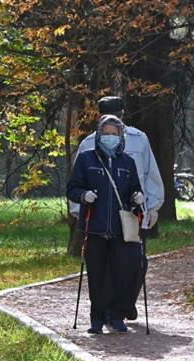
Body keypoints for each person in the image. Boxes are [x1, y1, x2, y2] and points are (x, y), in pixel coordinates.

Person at [70, 96, 164, 321]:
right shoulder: (89, 143)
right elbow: (78, 179)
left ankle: (124, 303)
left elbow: (148, 175)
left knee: (132, 261)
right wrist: (80, 210)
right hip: (103, 217)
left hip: (131, 214)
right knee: (113, 265)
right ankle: (113, 310)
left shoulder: (139, 139)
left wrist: (152, 207)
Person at [67, 115, 145, 334]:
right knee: (97, 275)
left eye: (114, 134)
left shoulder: (127, 162)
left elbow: (134, 190)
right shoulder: (86, 159)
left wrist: (137, 197)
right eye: (106, 134)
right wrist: (84, 195)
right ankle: (97, 318)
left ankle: (118, 315)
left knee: (123, 272)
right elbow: (72, 188)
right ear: (99, 135)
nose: (110, 138)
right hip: (94, 227)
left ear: (120, 137)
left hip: (121, 228)